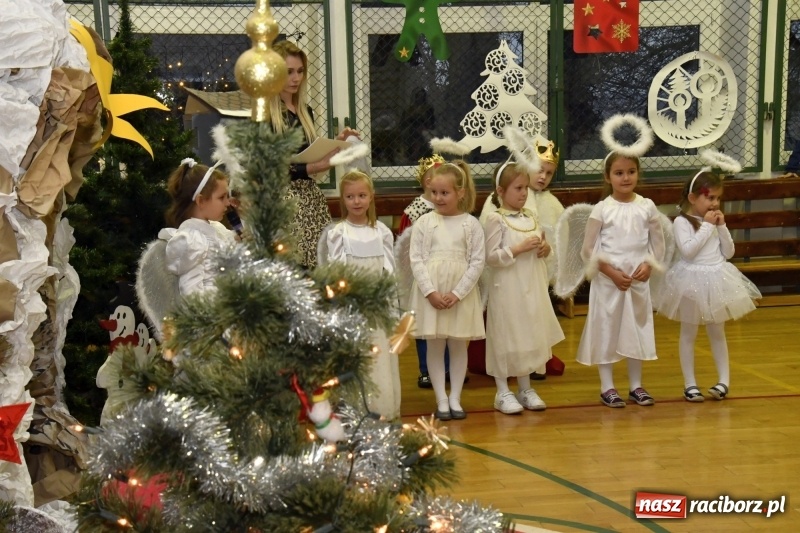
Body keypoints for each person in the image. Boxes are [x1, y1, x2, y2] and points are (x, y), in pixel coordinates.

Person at [654, 170, 761, 401]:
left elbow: (729, 252)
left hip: (717, 279)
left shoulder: (714, 222)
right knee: (689, 332)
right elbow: (689, 251)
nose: (715, 203)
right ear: (693, 198)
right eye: (709, 198)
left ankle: (724, 381)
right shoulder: (682, 222)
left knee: (717, 332)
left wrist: (721, 227)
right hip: (691, 281)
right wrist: (707, 227)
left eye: (717, 198)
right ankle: (690, 384)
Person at [577, 152, 665, 408]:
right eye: (619, 173)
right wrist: (609, 271)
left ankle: (636, 385)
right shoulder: (603, 209)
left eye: (631, 172)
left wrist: (649, 265)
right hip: (609, 281)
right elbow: (587, 249)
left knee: (634, 329)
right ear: (608, 177)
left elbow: (658, 244)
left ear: (638, 173)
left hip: (636, 281)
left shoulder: (647, 206)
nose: (626, 177)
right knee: (607, 328)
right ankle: (607, 387)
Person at [269, 40, 358, 269]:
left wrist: (336, 145)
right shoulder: (265, 115)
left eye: (300, 71)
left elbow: (309, 158)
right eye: (288, 72)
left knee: (320, 270)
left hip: (310, 199)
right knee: (291, 273)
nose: (296, 78)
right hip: (282, 203)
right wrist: (313, 168)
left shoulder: (304, 111)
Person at [479, 139, 564, 379]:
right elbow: (491, 245)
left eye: (548, 173)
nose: (542, 177)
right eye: (539, 170)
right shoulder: (498, 205)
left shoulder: (550, 204)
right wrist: (518, 249)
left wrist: (546, 250)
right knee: (511, 325)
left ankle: (532, 364)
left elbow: (555, 240)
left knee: (533, 322)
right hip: (508, 279)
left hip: (532, 277)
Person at [319, 170, 401, 418]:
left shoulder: (382, 232)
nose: (357, 201)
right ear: (342, 200)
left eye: (362, 195)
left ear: (371, 197)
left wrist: (389, 307)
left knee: (378, 353)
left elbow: (389, 271)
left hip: (376, 305)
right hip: (352, 305)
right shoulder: (337, 233)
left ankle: (380, 406)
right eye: (350, 196)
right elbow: (336, 270)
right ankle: (352, 406)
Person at [408, 161, 485, 420]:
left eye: (445, 193)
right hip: (432, 295)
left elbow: (477, 262)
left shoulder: (471, 224)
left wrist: (458, 292)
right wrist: (430, 292)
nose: (438, 198)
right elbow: (416, 259)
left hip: (458, 295)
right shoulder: (424, 223)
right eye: (434, 193)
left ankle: (455, 398)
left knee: (458, 346)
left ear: (460, 193)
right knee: (435, 346)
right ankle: (441, 398)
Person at [397, 153, 453, 389]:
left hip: (447, 275)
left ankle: (448, 368)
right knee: (424, 327)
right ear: (425, 181)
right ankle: (426, 370)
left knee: (448, 325)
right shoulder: (414, 211)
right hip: (422, 277)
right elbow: (405, 244)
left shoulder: (452, 208)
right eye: (432, 178)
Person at [162, 158, 237, 297]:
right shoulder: (191, 242)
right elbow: (193, 298)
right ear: (201, 200)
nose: (228, 203)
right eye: (222, 197)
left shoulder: (215, 228)